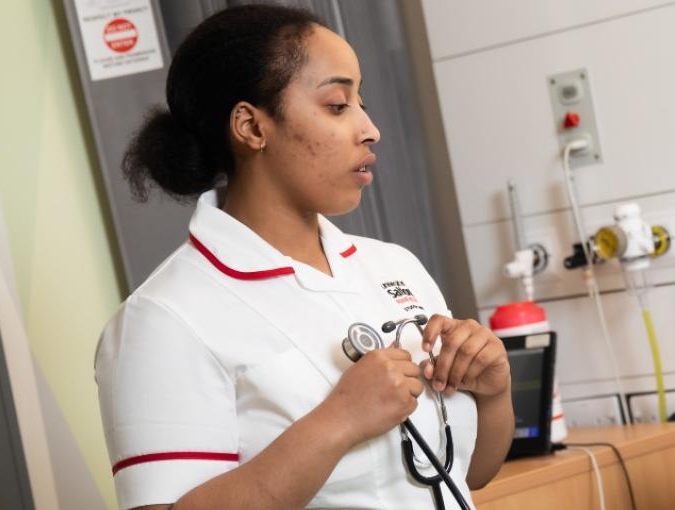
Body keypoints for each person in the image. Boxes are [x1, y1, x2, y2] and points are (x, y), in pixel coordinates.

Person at [94, 5, 512, 509]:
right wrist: (339, 421)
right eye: (338, 105)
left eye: (363, 102)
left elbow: (469, 474)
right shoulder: (163, 319)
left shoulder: (393, 267)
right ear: (250, 126)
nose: (369, 128)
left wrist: (493, 391)